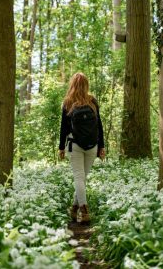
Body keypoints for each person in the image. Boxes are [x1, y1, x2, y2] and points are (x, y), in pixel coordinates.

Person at [59, 72, 105, 224]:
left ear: (72, 84)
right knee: (82, 179)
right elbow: (99, 125)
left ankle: (83, 209)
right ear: (86, 85)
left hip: (75, 145)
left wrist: (61, 148)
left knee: (79, 178)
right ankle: (74, 208)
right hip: (92, 146)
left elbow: (64, 128)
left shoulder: (67, 102)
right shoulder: (92, 101)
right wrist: (102, 146)